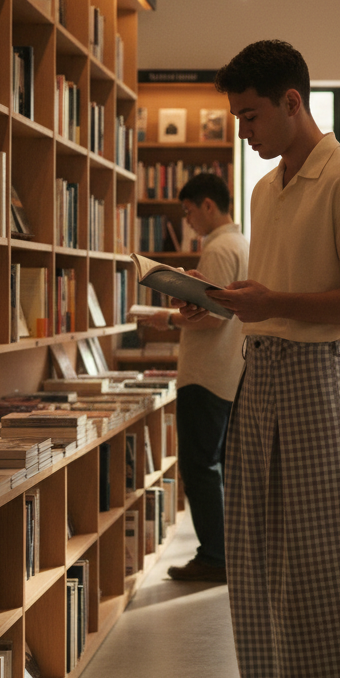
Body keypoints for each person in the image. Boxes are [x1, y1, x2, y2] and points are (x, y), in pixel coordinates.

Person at [174, 40, 340, 678]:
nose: (242, 131)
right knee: (258, 561)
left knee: (322, 570)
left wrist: (273, 305)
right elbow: (271, 294)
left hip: (314, 378)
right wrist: (238, 304)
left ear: (292, 102)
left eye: (250, 115)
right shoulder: (267, 191)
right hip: (257, 374)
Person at [142, 173, 248, 583]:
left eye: (188, 212)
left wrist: (168, 316)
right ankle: (221, 551)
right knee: (212, 465)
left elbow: (212, 319)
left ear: (208, 205)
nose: (187, 221)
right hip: (226, 371)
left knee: (199, 466)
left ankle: (215, 557)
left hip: (206, 373)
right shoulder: (240, 243)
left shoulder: (220, 248)